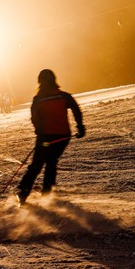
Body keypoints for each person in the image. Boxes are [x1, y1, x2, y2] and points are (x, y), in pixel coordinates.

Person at [16, 69, 85, 205]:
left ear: (40, 82)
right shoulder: (63, 96)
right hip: (62, 137)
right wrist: (80, 126)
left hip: (46, 138)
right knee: (51, 161)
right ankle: (47, 190)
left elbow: (34, 117)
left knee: (37, 164)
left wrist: (39, 131)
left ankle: (24, 191)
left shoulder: (38, 99)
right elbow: (76, 109)